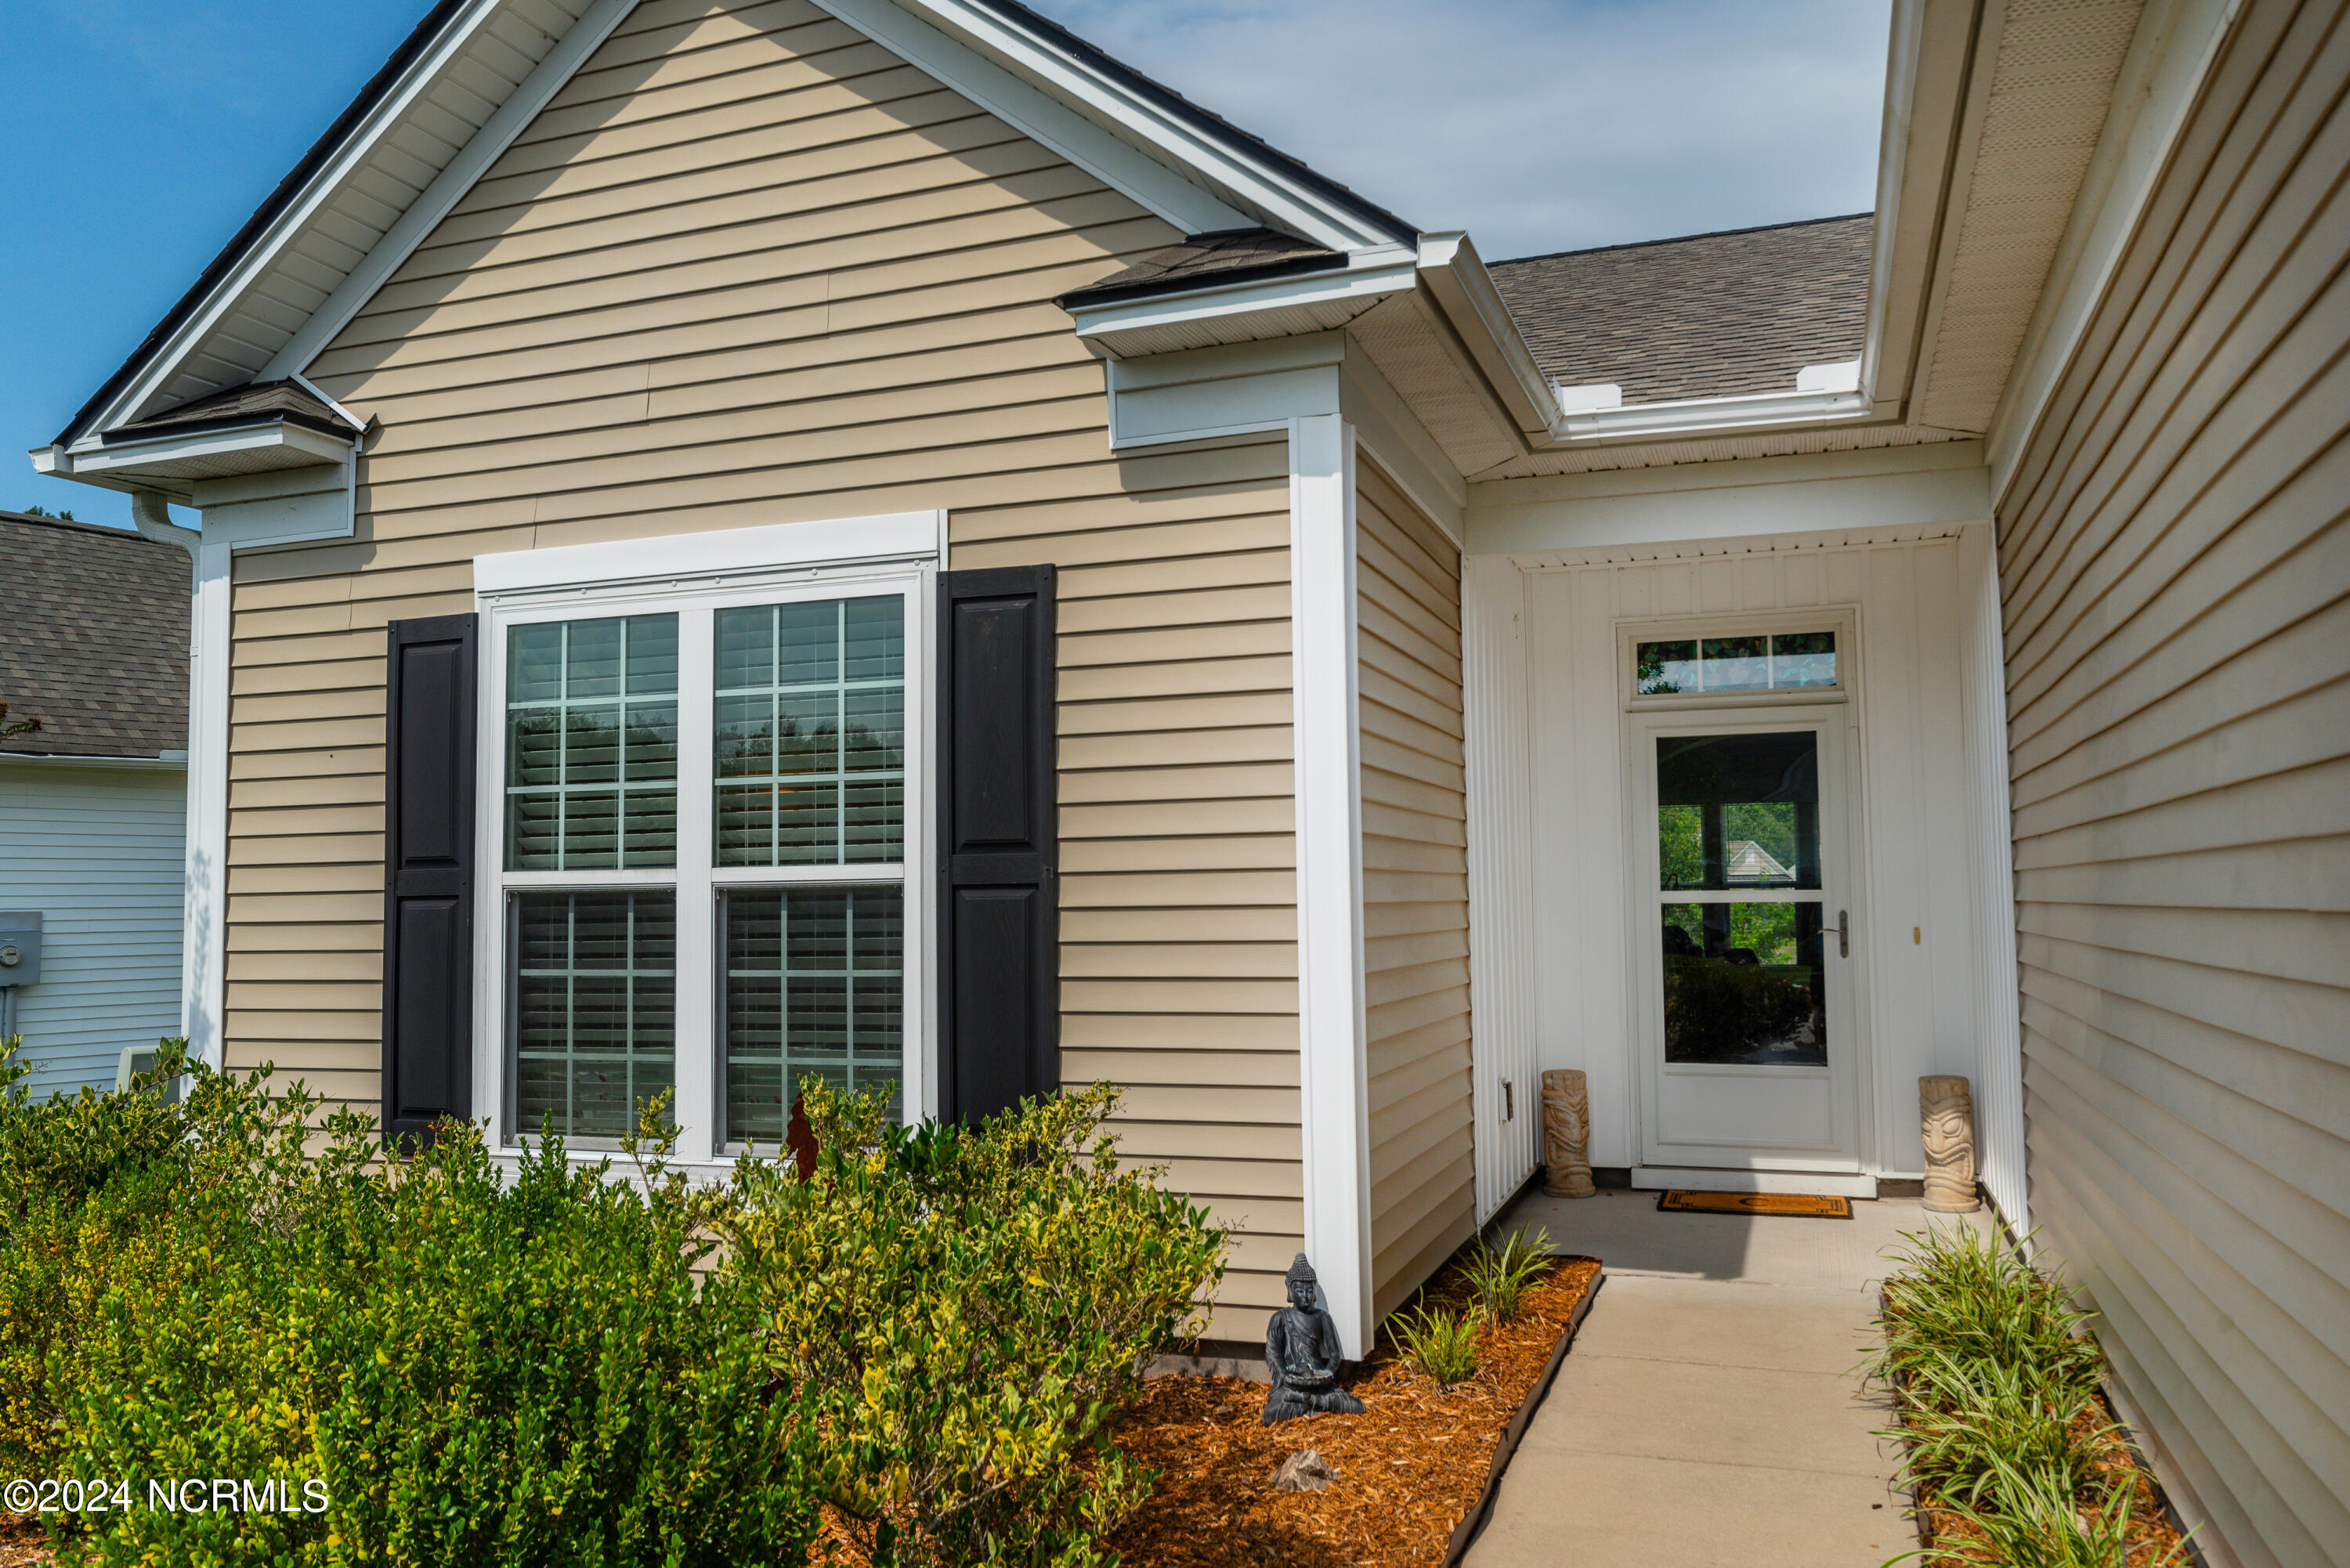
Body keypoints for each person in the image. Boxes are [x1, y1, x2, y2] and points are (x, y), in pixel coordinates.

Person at [1261, 1253, 1366, 1423]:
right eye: (1300, 1291)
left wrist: (1327, 1372)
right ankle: (1315, 1403)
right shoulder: (1280, 1318)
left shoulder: (1322, 1317)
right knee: (1271, 1414)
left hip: (1318, 1382)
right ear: (1290, 1290)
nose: (1305, 1296)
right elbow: (1273, 1354)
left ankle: (1309, 1401)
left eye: (1310, 1291)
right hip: (1290, 1384)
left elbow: (1334, 1355)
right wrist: (1285, 1375)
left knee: (1355, 1405)